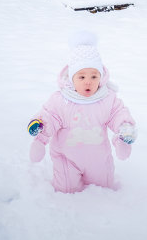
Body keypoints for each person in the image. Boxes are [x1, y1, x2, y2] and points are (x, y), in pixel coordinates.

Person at [27, 29, 137, 193]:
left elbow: (118, 113)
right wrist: (40, 133)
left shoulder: (107, 98)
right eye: (81, 77)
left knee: (103, 189)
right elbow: (49, 116)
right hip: (67, 158)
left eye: (94, 76)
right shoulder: (61, 100)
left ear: (101, 77)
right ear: (71, 78)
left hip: (98, 158)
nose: (88, 82)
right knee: (66, 189)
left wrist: (124, 130)